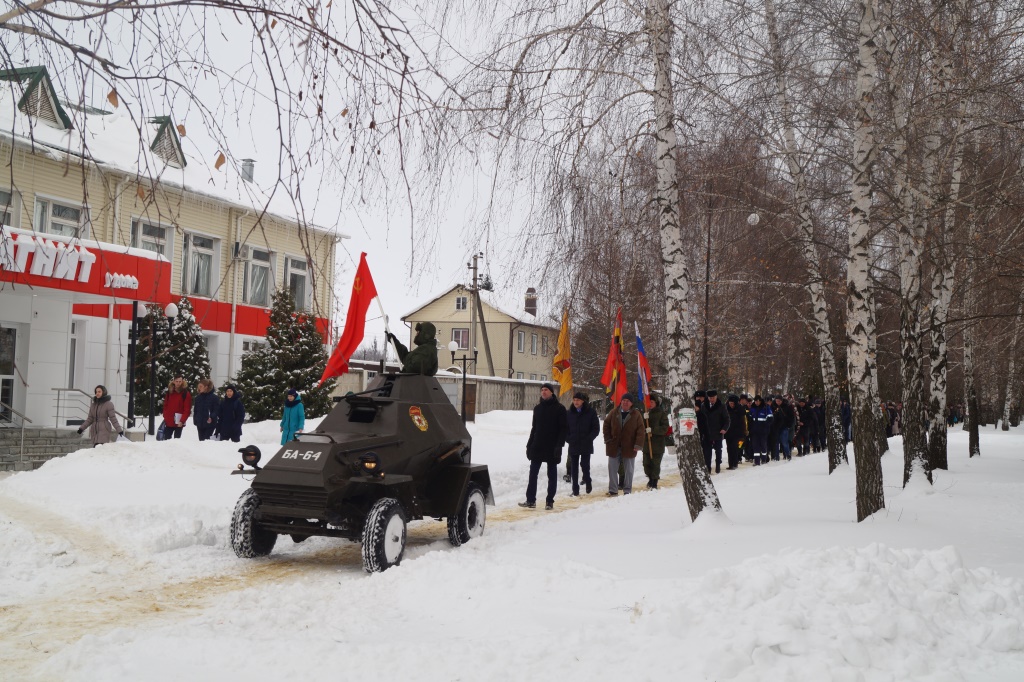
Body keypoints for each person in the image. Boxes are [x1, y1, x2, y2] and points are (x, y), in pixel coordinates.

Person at [520, 383, 568, 510]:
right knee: (532, 473)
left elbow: (564, 430)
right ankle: (530, 500)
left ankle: (549, 501)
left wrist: (559, 446)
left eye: (546, 390)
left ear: (552, 392)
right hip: (537, 445)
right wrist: (529, 445)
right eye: (542, 390)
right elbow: (534, 428)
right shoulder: (537, 409)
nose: (543, 392)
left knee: (551, 475)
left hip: (552, 446)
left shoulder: (560, 409)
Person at [603, 393, 645, 495]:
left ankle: (627, 490)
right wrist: (608, 439)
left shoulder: (636, 414)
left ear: (631, 403)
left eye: (628, 401)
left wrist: (638, 444)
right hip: (614, 445)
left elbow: (641, 430)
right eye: (624, 400)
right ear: (621, 401)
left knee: (629, 470)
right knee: (612, 468)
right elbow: (606, 425)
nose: (625, 402)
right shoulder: (613, 412)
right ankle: (613, 489)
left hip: (629, 446)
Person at [566, 391, 600, 496]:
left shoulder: (590, 412)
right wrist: (568, 438)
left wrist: (590, 438)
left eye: (578, 400)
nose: (576, 402)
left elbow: (596, 428)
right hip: (574, 443)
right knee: (574, 467)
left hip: (586, 443)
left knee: (585, 465)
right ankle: (575, 490)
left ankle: (588, 480)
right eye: (574, 400)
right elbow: (564, 428)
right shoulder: (569, 413)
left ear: (582, 401)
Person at [642, 394, 670, 488]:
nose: (650, 404)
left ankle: (654, 482)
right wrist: (643, 419)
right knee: (646, 464)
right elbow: (641, 427)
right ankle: (650, 479)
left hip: (657, 445)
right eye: (648, 402)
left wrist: (652, 430)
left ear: (656, 403)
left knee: (655, 465)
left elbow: (665, 428)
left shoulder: (662, 414)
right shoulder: (646, 413)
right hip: (647, 444)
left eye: (652, 402)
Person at [703, 389, 730, 473]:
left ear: (716, 397)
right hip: (707, 433)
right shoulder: (704, 406)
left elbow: (727, 419)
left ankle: (718, 464)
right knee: (707, 451)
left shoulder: (721, 406)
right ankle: (708, 467)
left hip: (718, 432)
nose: (712, 399)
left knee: (718, 450)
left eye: (713, 398)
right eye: (710, 398)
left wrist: (724, 429)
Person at [161, 374, 192, 439]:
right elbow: (165, 405)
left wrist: (182, 421)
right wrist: (165, 415)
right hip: (169, 420)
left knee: (176, 440)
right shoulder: (169, 392)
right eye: (177, 381)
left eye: (180, 381)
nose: (178, 383)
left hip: (179, 421)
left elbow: (187, 409)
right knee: (166, 439)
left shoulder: (185, 393)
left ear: (182, 382)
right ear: (174, 382)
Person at [748, 395, 773, 465]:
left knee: (763, 445)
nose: (757, 403)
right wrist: (750, 428)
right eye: (755, 401)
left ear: (761, 401)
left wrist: (765, 425)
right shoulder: (752, 408)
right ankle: (756, 461)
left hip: (763, 431)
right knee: (755, 446)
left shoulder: (766, 408)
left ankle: (764, 459)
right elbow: (749, 419)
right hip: (754, 431)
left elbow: (770, 418)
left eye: (758, 401)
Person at [769, 395, 794, 461]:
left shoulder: (787, 406)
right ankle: (776, 457)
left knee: (784, 442)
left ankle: (788, 455)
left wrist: (789, 425)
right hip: (775, 427)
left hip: (784, 426)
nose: (778, 402)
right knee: (776, 443)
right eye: (777, 401)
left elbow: (791, 416)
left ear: (782, 401)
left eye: (779, 401)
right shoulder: (773, 406)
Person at [724, 394, 746, 470]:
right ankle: (730, 464)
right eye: (730, 403)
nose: (731, 405)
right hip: (728, 432)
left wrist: (743, 433)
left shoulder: (740, 410)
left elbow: (743, 422)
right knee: (729, 448)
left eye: (733, 403)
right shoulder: (726, 409)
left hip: (737, 433)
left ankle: (735, 463)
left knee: (735, 448)